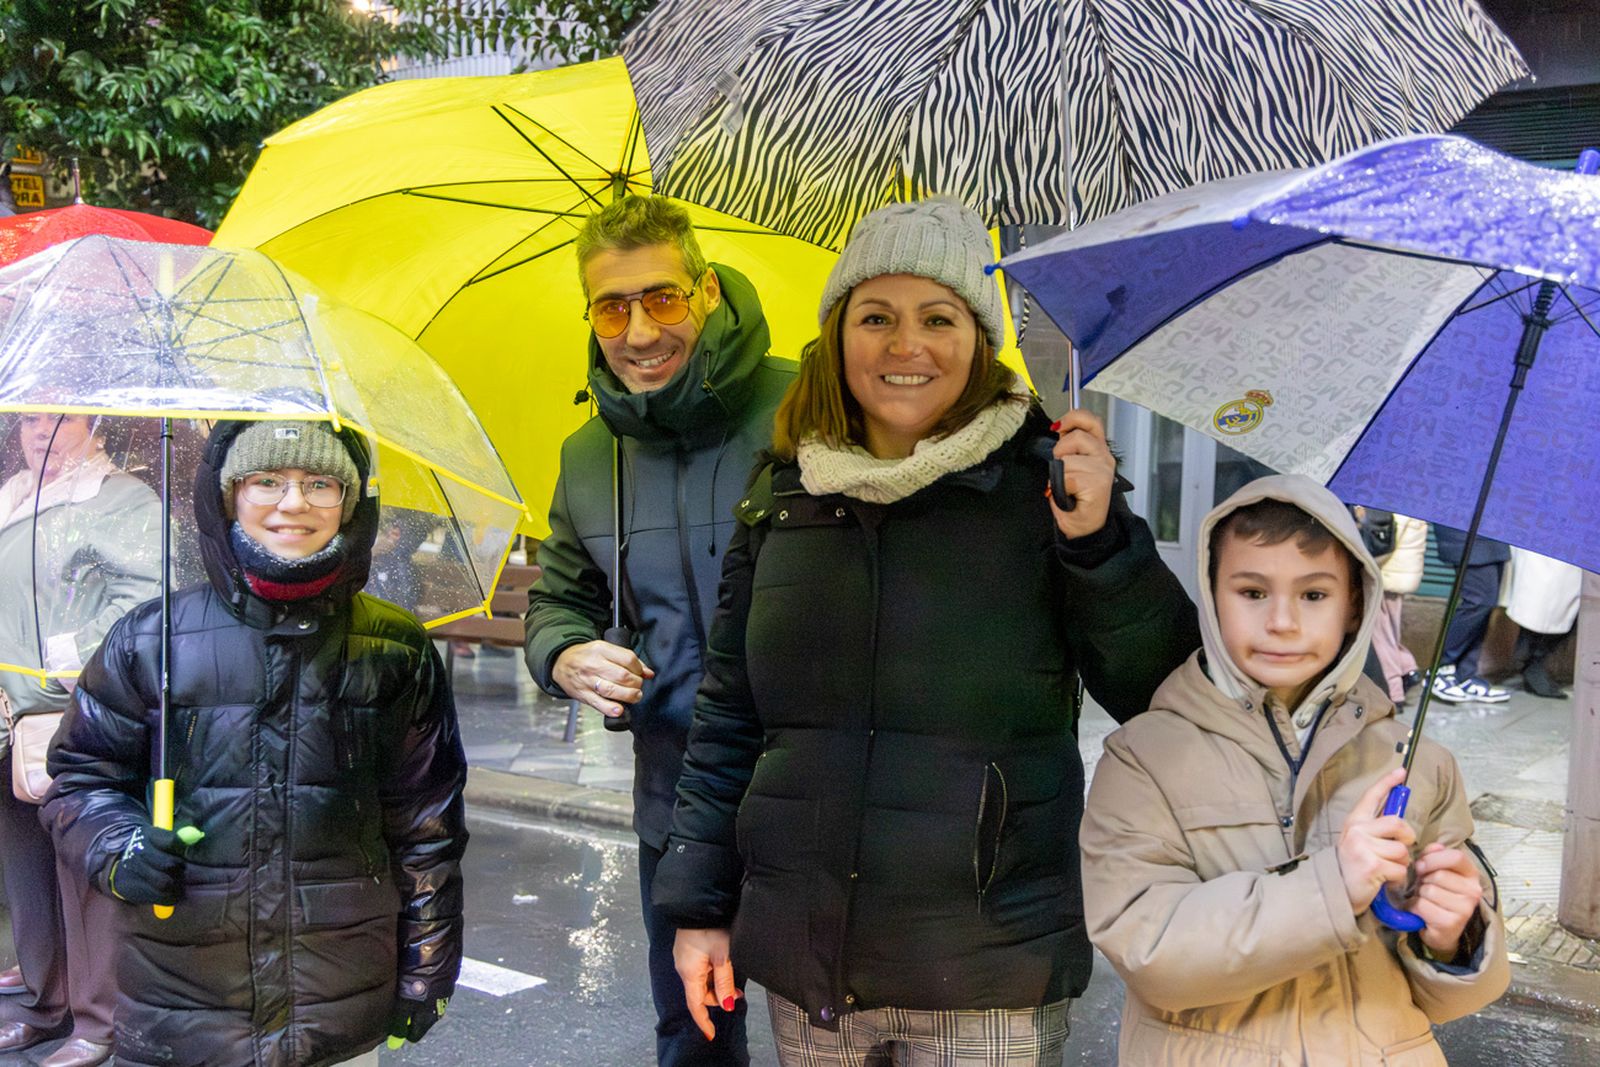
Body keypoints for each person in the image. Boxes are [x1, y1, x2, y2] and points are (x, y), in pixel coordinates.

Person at [652, 197, 1200, 1065]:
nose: (906, 345)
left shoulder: (1045, 484)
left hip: (987, 978)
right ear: (837, 338)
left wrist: (1100, 544)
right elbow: (729, 719)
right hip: (812, 970)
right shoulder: (782, 495)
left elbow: (1159, 688)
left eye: (938, 317)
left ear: (979, 341)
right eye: (876, 317)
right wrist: (699, 907)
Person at [43, 419, 468, 1067]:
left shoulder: (396, 646)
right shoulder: (149, 639)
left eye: (320, 483)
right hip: (180, 1001)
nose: (293, 503)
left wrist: (427, 967)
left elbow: (427, 824)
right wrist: (118, 844)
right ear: (227, 494)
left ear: (350, 503)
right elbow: (80, 779)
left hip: (338, 1000)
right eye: (266, 479)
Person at [1080, 474, 1509, 1065]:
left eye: (1313, 595)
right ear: (1211, 592)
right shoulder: (1144, 759)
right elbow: (1150, 952)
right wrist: (1333, 885)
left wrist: (1453, 936)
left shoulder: (1416, 765)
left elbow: (1451, 998)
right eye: (1252, 592)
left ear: (1354, 604)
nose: (1282, 621)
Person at [523, 193, 794, 1066]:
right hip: (674, 796)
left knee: (832, 1031)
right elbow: (557, 598)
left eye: (661, 298)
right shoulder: (587, 454)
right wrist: (565, 653)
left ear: (707, 291)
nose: (638, 331)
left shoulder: (805, 405)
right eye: (611, 306)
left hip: (813, 787)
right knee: (696, 1028)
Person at [0, 413, 160, 1066]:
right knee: (27, 867)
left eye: (59, 415)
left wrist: (53, 655)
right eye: (29, 416)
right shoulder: (14, 492)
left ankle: (101, 1020)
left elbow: (143, 599)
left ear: (95, 421)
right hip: (12, 709)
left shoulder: (123, 499)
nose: (40, 428)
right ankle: (45, 999)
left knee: (84, 870)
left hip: (76, 712)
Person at [1430, 525, 1510, 704]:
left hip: (1495, 529)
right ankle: (1441, 669)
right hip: (1465, 527)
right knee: (1478, 601)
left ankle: (1464, 674)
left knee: (1486, 603)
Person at [1502, 546, 1580, 699]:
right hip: (1546, 544)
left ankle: (1532, 663)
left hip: (1576, 546)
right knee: (1540, 603)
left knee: (1565, 609)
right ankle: (1531, 663)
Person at [1370, 511, 1429, 703]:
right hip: (1400, 577)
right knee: (1389, 634)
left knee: (1380, 637)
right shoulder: (1414, 508)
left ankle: (1393, 692)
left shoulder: (1395, 510)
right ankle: (1408, 669)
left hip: (1386, 577)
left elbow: (1383, 544)